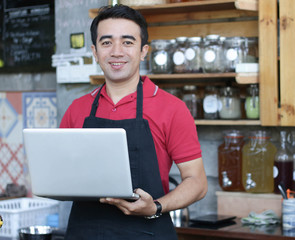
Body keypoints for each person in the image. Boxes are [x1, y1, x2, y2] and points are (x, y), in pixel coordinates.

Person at [60, 4, 208, 240]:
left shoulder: (172, 109)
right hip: (84, 232)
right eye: (106, 42)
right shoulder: (77, 109)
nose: (116, 51)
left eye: (127, 42)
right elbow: (61, 175)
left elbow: (197, 182)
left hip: (147, 231)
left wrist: (156, 206)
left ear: (143, 51)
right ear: (95, 52)